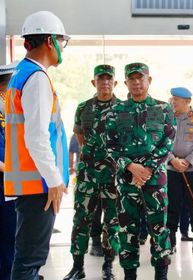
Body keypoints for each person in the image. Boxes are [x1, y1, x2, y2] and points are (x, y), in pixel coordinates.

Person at [3, 11, 70, 279]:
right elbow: (36, 137)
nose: (62, 48)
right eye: (61, 41)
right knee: (30, 261)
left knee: (26, 257)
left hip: (29, 184)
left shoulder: (20, 73)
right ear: (50, 41)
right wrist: (54, 180)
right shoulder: (37, 78)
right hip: (38, 186)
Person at [106, 62, 174, 280]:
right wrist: (132, 167)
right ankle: (129, 274)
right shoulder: (115, 111)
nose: (136, 82)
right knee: (127, 230)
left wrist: (147, 168)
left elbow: (168, 141)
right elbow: (110, 144)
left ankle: (161, 274)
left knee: (159, 229)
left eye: (140, 78)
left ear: (149, 80)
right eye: (132, 79)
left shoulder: (163, 109)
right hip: (127, 181)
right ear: (126, 82)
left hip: (155, 180)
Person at [64, 64, 121, 280]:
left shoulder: (123, 108)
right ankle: (77, 267)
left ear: (114, 83)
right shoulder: (83, 107)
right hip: (88, 173)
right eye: (101, 79)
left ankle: (108, 266)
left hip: (113, 174)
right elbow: (80, 138)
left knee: (112, 221)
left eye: (109, 79)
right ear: (94, 82)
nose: (105, 82)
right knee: (81, 220)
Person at [166, 87, 193, 254]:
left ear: (187, 101)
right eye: (172, 98)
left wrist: (188, 162)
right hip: (171, 169)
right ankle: (171, 241)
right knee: (172, 205)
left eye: (177, 99)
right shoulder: (166, 119)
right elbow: (160, 142)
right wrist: (173, 160)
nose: (173, 102)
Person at [0, 61, 17, 280]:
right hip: (5, 181)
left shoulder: (6, 112)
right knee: (6, 237)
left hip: (9, 185)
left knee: (10, 237)